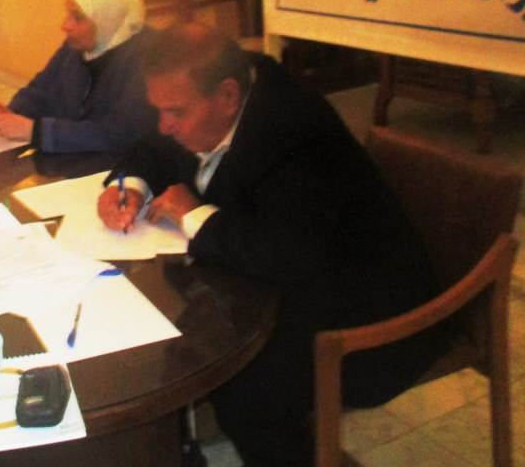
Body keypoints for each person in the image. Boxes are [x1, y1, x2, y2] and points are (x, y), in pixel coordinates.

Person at [97, 23, 445, 467]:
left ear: (227, 96)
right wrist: (130, 186)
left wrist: (194, 215)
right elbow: (150, 148)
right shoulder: (211, 99)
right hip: (291, 278)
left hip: (365, 311)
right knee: (175, 337)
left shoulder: (295, 131)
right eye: (158, 110)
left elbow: (288, 254)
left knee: (244, 393)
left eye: (175, 113)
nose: (165, 126)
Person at [0, 0, 157, 155]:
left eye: (78, 17)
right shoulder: (76, 46)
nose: (65, 25)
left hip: (118, 164)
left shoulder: (148, 55)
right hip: (73, 156)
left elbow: (119, 132)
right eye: (68, 14)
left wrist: (35, 131)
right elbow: (41, 89)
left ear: (106, 19)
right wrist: (14, 112)